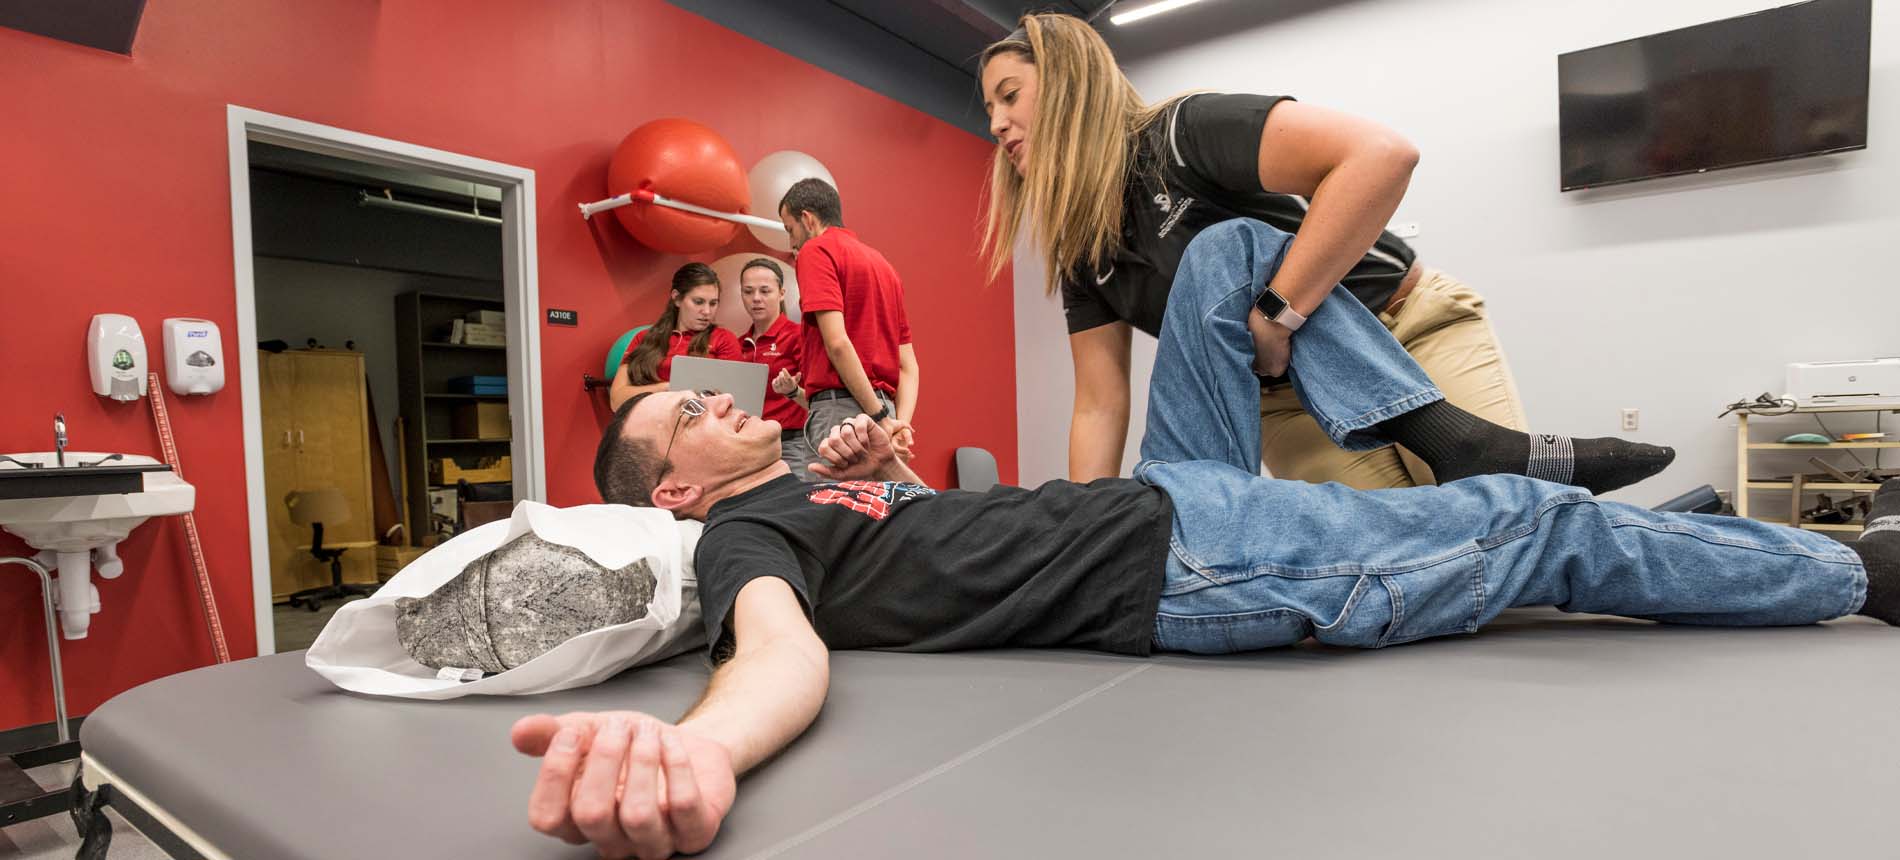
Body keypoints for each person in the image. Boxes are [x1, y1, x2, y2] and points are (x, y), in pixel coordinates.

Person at [513, 220, 1895, 858]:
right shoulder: (739, 540)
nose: (715, 394)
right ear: (673, 493)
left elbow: (942, 542)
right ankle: (1851, 566)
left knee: (1234, 254)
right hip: (1193, 559)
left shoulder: (817, 482)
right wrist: (697, 749)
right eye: (685, 410)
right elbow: (772, 654)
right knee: (1530, 531)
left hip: (1167, 495)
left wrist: (900, 470)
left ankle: (1492, 455)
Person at [976, 13, 1666, 491]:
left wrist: (1278, 315)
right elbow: (1099, 404)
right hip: (1285, 402)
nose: (998, 124)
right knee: (1415, 558)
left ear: (1067, 83)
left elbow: (1381, 155)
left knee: (1507, 515)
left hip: (1406, 326)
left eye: (1010, 96)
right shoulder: (1079, 250)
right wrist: (1088, 529)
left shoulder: (1182, 135)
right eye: (988, 111)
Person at [777, 177, 920, 477]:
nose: (791, 243)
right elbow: (908, 366)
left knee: (832, 518)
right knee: (878, 516)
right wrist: (897, 425)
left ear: (808, 219)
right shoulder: (884, 265)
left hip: (846, 417)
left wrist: (879, 417)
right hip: (884, 412)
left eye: (790, 229)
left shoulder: (816, 251)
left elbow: (838, 343)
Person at [609, 263, 743, 411]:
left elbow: (735, 403)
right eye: (698, 302)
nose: (707, 311)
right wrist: (668, 388)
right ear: (677, 298)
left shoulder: (724, 339)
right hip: (650, 425)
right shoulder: (644, 338)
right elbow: (617, 401)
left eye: (713, 303)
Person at [735, 256, 815, 477]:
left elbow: (818, 400)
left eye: (765, 291)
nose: (756, 299)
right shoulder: (737, 343)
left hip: (790, 446)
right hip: (746, 448)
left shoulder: (798, 335)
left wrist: (792, 390)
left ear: (781, 293)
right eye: (748, 291)